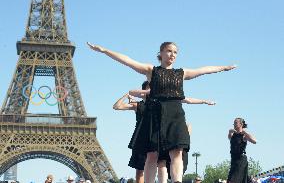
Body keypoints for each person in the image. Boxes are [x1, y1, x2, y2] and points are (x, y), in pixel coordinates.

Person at [87, 41, 236, 183]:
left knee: (177, 151)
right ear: (161, 53)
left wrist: (223, 67)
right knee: (152, 154)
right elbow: (127, 60)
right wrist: (104, 50)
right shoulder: (151, 70)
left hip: (176, 113)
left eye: (175, 52)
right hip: (156, 114)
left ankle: (177, 181)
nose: (172, 54)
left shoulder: (182, 73)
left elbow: (204, 69)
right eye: (169, 51)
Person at [227, 118, 257, 183]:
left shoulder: (244, 135)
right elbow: (229, 137)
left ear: (241, 124)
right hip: (234, 159)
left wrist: (245, 132)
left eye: (235, 123)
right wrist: (229, 132)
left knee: (234, 180)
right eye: (233, 123)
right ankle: (251, 181)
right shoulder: (233, 135)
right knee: (230, 180)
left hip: (241, 159)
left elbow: (255, 141)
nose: (234, 125)